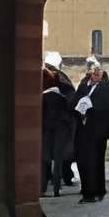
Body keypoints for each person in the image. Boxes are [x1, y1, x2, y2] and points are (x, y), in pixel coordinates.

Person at [74, 61, 109, 203]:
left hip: (98, 130)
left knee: (95, 161)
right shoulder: (83, 86)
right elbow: (74, 101)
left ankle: (95, 191)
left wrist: (93, 107)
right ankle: (88, 190)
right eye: (93, 72)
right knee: (84, 160)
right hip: (83, 129)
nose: (96, 74)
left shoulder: (106, 87)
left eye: (98, 72)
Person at [39, 64, 76, 197]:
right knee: (57, 158)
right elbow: (71, 108)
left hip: (48, 128)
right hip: (60, 128)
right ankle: (55, 187)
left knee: (45, 158)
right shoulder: (65, 91)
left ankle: (43, 188)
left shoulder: (43, 94)